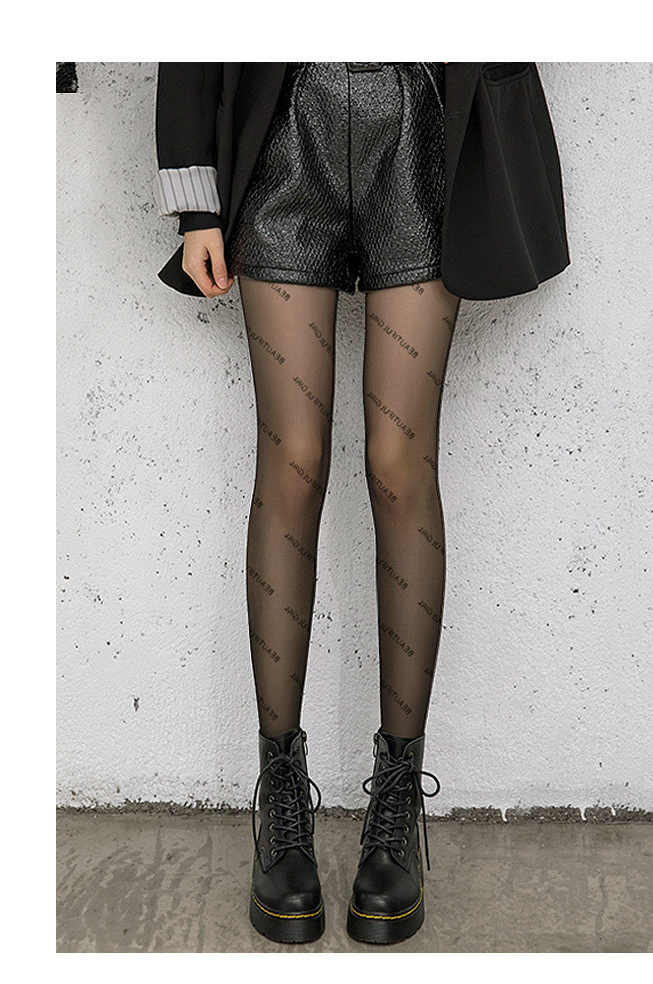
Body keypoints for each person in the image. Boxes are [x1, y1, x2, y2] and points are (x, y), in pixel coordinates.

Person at [151, 61, 568, 946]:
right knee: (292, 461)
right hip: (282, 122)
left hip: (423, 119)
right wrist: (195, 202)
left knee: (399, 463)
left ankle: (396, 806)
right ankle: (282, 803)